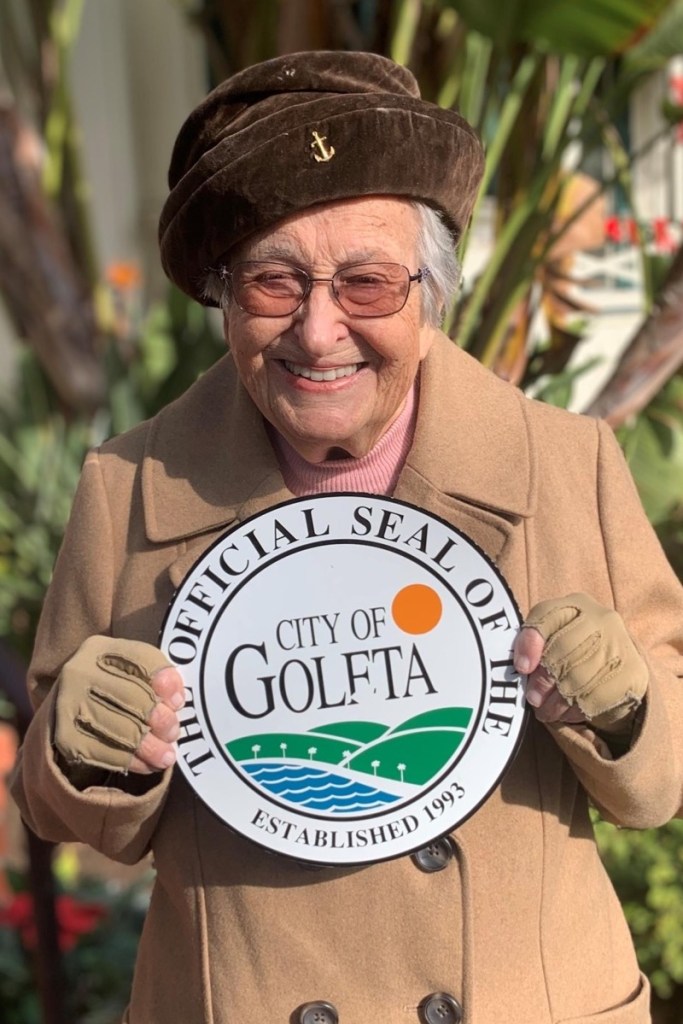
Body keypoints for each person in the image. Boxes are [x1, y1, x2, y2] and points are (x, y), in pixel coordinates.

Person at [10, 50, 683, 1024]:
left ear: (429, 292)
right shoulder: (128, 488)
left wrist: (626, 704)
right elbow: (63, 811)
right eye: (272, 282)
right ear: (222, 294)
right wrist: (82, 751)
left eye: (366, 283)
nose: (318, 332)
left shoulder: (564, 463)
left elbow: (659, 784)